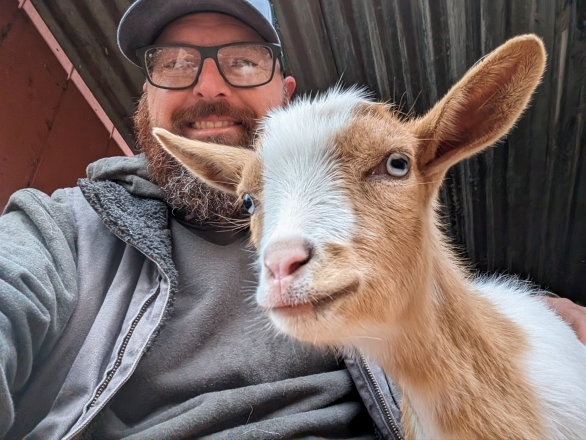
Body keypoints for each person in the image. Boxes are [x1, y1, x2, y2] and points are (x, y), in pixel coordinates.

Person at [0, 0, 585, 438]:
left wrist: (546, 314)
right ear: (145, 97)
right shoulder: (64, 232)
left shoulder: (371, 277)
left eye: (243, 62)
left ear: (284, 91)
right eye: (174, 64)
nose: (209, 84)